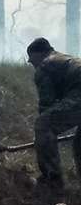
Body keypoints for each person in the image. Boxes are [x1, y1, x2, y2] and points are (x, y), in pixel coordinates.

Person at [26, 36, 81, 190]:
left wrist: (42, 135)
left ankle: (52, 180)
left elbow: (46, 104)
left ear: (38, 54)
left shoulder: (45, 65)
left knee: (44, 124)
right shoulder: (64, 59)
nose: (31, 63)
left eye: (31, 59)